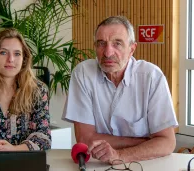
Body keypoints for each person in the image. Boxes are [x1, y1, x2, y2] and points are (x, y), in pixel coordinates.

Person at [62, 16, 178, 164]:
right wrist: (147, 142)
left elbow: (167, 142)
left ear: (132, 49)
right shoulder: (83, 74)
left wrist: (119, 155)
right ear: (95, 47)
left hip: (145, 163)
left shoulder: (151, 77)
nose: (108, 52)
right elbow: (85, 139)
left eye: (117, 44)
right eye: (101, 44)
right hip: (97, 164)